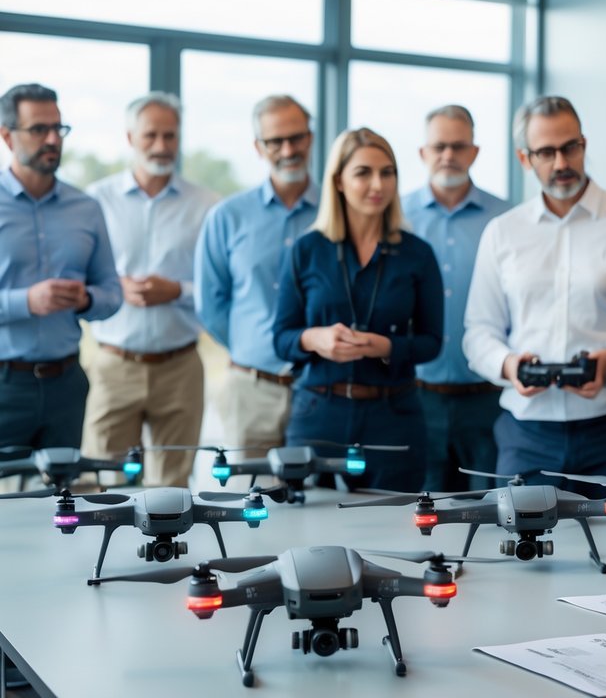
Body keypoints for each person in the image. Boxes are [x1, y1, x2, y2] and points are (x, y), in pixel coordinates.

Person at [463, 96, 606, 504]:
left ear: (583, 145)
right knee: (523, 556)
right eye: (546, 152)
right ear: (524, 158)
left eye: (570, 147)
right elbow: (479, 330)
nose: (561, 162)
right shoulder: (502, 232)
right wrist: (509, 364)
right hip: (527, 433)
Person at [273, 127, 442, 492]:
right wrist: (314, 338)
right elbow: (281, 339)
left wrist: (386, 348)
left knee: (394, 533)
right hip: (318, 415)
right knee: (305, 535)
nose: (377, 184)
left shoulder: (418, 253)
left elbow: (432, 342)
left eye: (387, 172)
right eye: (363, 172)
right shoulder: (307, 250)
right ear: (338, 181)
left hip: (393, 415)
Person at [83, 93, 218, 487]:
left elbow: (215, 288)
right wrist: (114, 286)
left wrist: (176, 289)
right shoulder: (96, 200)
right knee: (99, 486)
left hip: (180, 368)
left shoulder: (206, 205)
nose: (161, 146)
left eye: (170, 136)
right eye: (151, 135)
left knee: (172, 493)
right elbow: (81, 281)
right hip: (113, 366)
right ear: (130, 137)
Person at [195, 95, 319, 457]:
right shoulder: (227, 216)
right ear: (257, 147)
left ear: (310, 138)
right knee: (249, 507)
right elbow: (212, 306)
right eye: (274, 141)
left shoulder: (338, 211)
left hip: (319, 390)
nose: (287, 149)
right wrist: (253, 349)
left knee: (324, 505)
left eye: (296, 137)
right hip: (250, 390)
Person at [0, 83, 121, 452]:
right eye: (39, 129)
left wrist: (86, 299)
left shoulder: (86, 207)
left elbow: (112, 294)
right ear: (7, 136)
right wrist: (27, 301)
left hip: (67, 383)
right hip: (5, 384)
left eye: (59, 128)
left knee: (64, 504)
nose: (53, 138)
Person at [402, 105, 511, 492]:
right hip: (416, 398)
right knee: (421, 511)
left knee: (489, 509)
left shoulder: (506, 220)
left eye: (458, 146)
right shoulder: (396, 217)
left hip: (487, 399)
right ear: (423, 153)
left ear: (475, 152)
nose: (448, 155)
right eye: (439, 146)